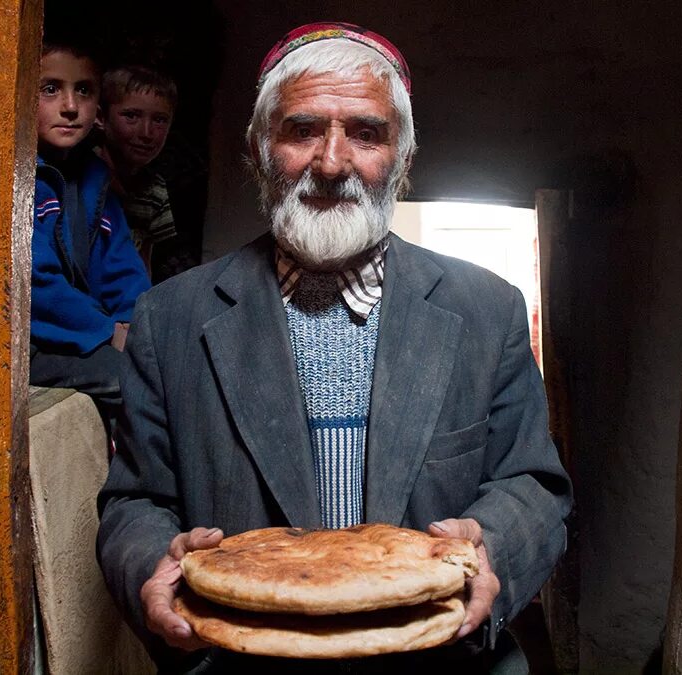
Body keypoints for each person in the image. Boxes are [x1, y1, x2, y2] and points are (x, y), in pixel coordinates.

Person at [97, 22, 572, 674]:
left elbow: (533, 484)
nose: (331, 161)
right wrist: (152, 565)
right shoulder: (171, 318)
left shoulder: (486, 310)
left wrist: (491, 546)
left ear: (402, 159)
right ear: (259, 151)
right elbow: (135, 501)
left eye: (366, 133)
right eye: (301, 130)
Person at [30, 40, 151, 419]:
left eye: (83, 90)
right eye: (50, 89)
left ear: (97, 106)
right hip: (29, 343)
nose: (69, 106)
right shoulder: (19, 179)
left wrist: (138, 326)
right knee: (137, 383)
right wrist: (106, 332)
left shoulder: (93, 180)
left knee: (166, 367)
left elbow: (123, 269)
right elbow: (34, 283)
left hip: (79, 334)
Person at [95, 66, 186, 282]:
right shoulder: (79, 178)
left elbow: (144, 262)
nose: (146, 133)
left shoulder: (155, 189)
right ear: (100, 117)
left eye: (159, 120)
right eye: (131, 116)